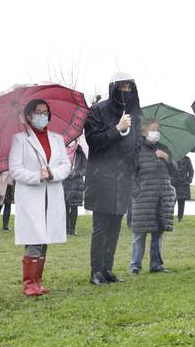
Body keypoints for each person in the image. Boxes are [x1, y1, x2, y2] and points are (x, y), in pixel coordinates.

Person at [84, 72, 142, 285]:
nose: (126, 90)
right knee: (101, 227)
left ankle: (108, 269)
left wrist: (133, 168)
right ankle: (95, 271)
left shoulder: (135, 113)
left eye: (130, 87)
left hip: (123, 178)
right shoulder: (98, 110)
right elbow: (93, 141)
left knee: (116, 226)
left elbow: (136, 144)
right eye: (123, 86)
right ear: (114, 87)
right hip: (102, 178)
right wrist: (117, 129)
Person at [9, 99, 71, 296]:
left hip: (51, 194)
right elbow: (15, 170)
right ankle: (29, 284)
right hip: (31, 196)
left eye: (45, 112)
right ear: (29, 116)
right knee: (34, 237)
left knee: (45, 238)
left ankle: (38, 282)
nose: (42, 115)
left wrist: (52, 174)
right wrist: (37, 176)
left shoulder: (57, 139)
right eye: (38, 112)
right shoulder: (20, 139)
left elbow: (65, 165)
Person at [129, 120, 177, 275]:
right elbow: (130, 174)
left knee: (158, 232)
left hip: (162, 199)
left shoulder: (164, 149)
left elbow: (175, 171)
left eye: (158, 129)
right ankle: (135, 265)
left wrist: (167, 158)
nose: (156, 132)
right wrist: (137, 192)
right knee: (139, 234)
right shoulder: (137, 150)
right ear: (144, 132)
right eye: (153, 129)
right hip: (143, 199)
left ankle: (156, 264)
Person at [63, 139, 86, 235]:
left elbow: (85, 166)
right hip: (64, 181)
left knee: (74, 206)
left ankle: (72, 229)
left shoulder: (79, 152)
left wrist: (76, 173)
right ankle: (66, 228)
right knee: (65, 206)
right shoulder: (62, 150)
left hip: (76, 182)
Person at [171, 155, 194, 223]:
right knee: (172, 202)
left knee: (181, 202)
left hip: (183, 183)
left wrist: (189, 179)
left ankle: (180, 218)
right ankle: (170, 217)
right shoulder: (172, 158)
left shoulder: (187, 159)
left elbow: (191, 171)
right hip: (173, 184)